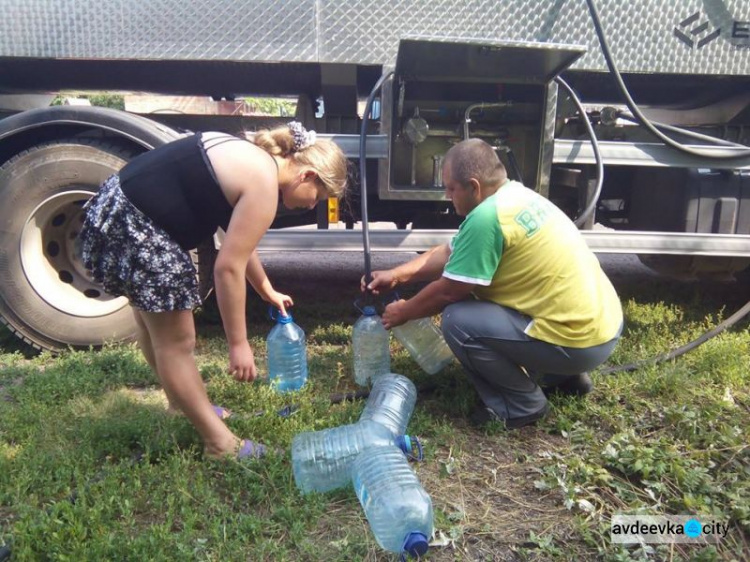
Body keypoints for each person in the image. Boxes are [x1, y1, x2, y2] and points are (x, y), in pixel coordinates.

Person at [78, 122, 347, 459]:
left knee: (152, 325)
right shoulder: (263, 185)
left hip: (113, 213)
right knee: (178, 343)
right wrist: (239, 343)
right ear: (307, 175)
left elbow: (240, 245)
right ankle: (219, 443)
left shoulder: (250, 158)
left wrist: (266, 289)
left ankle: (181, 403)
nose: (312, 206)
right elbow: (228, 268)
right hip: (140, 229)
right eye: (319, 198)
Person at [363, 138, 622, 429]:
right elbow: (452, 251)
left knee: (459, 320)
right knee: (496, 304)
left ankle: (520, 405)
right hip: (602, 330)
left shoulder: (487, 218)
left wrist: (405, 311)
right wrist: (397, 275)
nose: (447, 196)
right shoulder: (516, 197)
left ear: (473, 186)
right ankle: (565, 378)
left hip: (578, 343)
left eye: (451, 188)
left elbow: (450, 291)